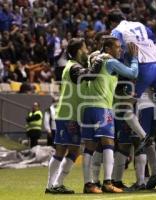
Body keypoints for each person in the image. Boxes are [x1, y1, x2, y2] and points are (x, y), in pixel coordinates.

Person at [108, 9, 156, 189]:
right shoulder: (140, 25)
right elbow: (154, 41)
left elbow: (114, 53)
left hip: (143, 71)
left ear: (111, 23)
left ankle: (145, 140)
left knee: (125, 109)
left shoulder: (116, 32)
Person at [81, 36, 138, 193]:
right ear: (107, 49)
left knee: (89, 148)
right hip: (102, 108)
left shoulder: (93, 60)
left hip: (87, 108)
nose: (120, 49)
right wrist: (134, 58)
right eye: (117, 47)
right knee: (108, 144)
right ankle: (107, 182)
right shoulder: (110, 62)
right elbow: (133, 73)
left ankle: (88, 184)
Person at [45, 37, 96, 194]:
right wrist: (98, 63)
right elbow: (85, 75)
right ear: (80, 50)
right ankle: (53, 184)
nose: (87, 51)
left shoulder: (72, 65)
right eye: (86, 47)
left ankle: (54, 184)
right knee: (63, 151)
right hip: (69, 115)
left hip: (70, 114)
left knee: (72, 151)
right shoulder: (74, 67)